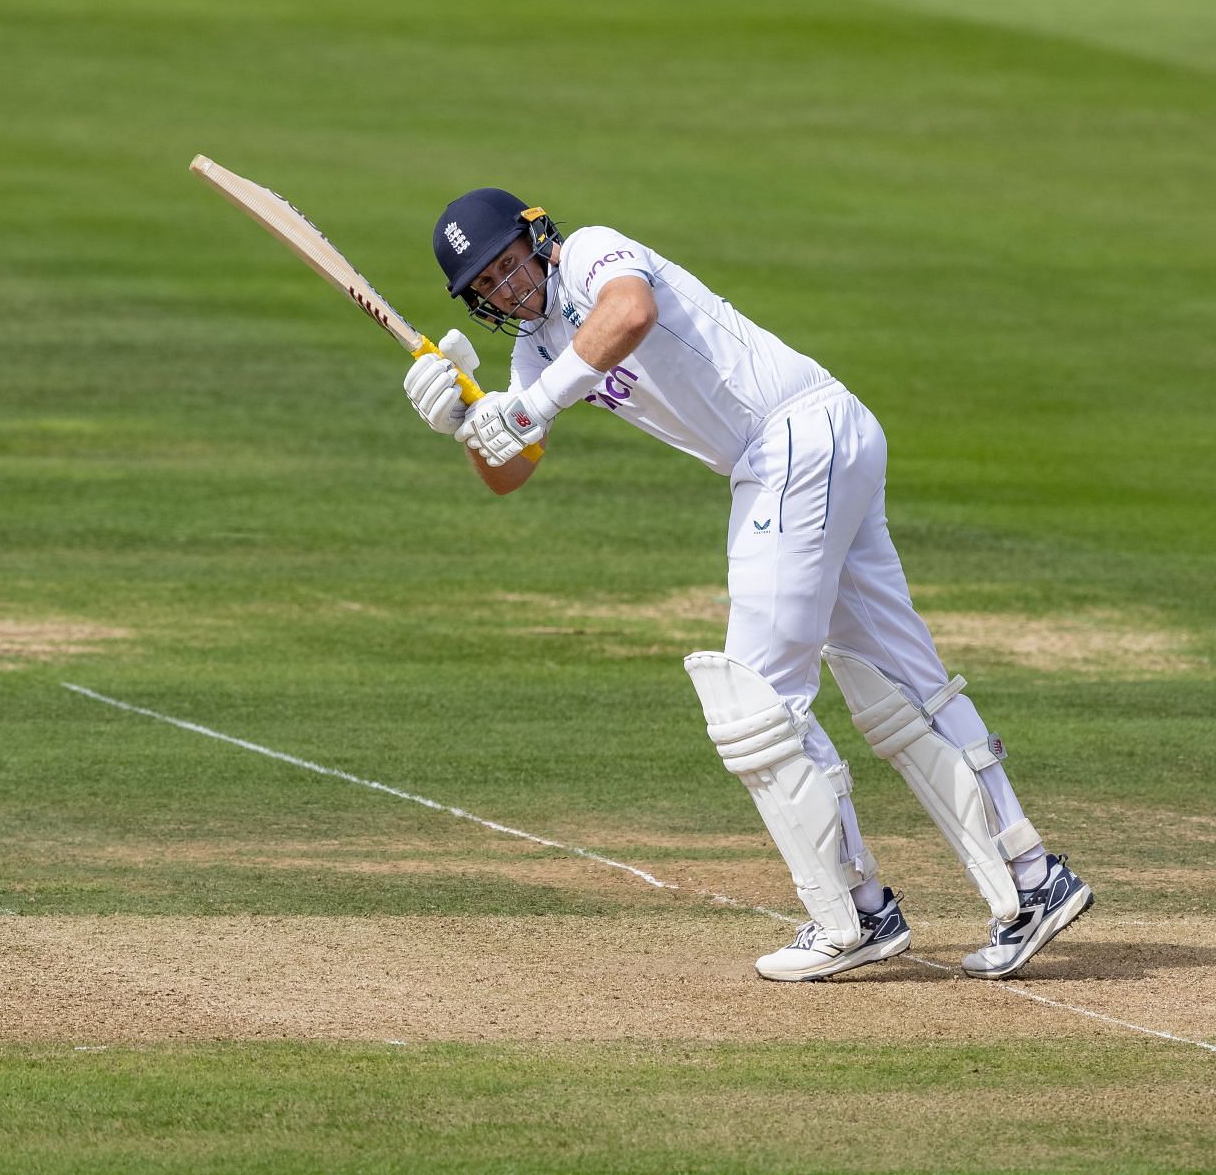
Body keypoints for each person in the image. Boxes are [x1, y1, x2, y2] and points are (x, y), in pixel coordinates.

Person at [401, 188, 1092, 981]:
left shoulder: (592, 253)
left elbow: (628, 315)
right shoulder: (534, 352)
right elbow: (509, 474)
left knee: (757, 699)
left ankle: (855, 912)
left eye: (506, 266)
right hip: (812, 446)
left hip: (791, 440)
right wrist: (467, 418)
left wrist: (523, 407)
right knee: (901, 683)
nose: (504, 289)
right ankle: (1033, 880)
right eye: (484, 286)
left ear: (536, 238)